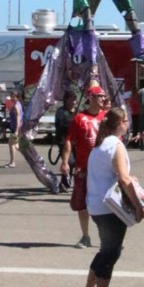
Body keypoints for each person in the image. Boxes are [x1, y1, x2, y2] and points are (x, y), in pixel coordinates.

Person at [78, 107, 144, 287]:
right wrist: (138, 206)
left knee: (105, 250)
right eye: (126, 120)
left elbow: (113, 175)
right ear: (120, 124)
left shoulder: (99, 146)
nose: (128, 124)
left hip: (96, 205)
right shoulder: (116, 146)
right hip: (110, 208)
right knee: (111, 253)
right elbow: (123, 179)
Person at [60, 83, 107, 247]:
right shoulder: (79, 119)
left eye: (103, 96)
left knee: (105, 204)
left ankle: (106, 237)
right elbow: (69, 141)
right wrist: (65, 162)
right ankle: (85, 236)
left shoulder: (107, 118)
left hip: (103, 169)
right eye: (100, 96)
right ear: (91, 98)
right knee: (81, 203)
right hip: (83, 168)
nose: (103, 98)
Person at [55, 90, 77, 189]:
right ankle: (65, 179)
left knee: (78, 161)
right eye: (72, 99)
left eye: (75, 99)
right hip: (64, 140)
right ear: (67, 100)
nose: (74, 101)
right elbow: (60, 126)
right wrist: (71, 125)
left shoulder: (78, 112)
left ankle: (69, 179)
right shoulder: (61, 112)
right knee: (70, 161)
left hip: (76, 141)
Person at [5, 90, 23, 169]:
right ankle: (25, 151)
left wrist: (16, 130)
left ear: (17, 98)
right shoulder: (17, 104)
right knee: (15, 144)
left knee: (11, 144)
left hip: (15, 127)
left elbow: (18, 117)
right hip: (16, 127)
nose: (12, 98)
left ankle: (12, 162)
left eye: (14, 97)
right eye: (11, 96)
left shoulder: (16, 106)